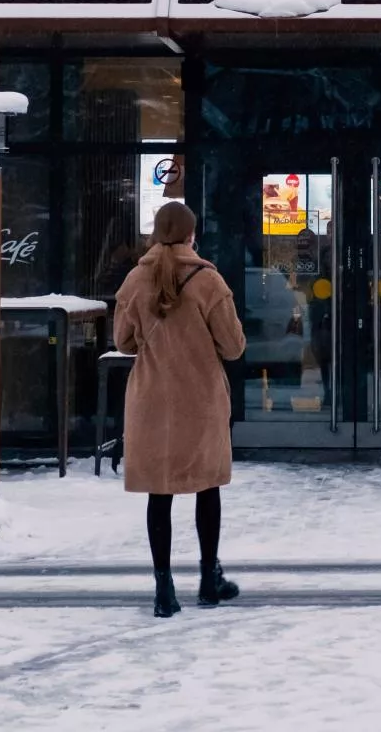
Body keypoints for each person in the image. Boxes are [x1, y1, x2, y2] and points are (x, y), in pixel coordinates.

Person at [113, 200, 247, 618]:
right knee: (207, 488)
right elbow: (234, 346)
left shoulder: (135, 280)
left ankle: (163, 590)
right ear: (191, 235)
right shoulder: (208, 280)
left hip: (151, 401)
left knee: (160, 492)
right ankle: (209, 580)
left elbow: (123, 342)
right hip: (201, 400)